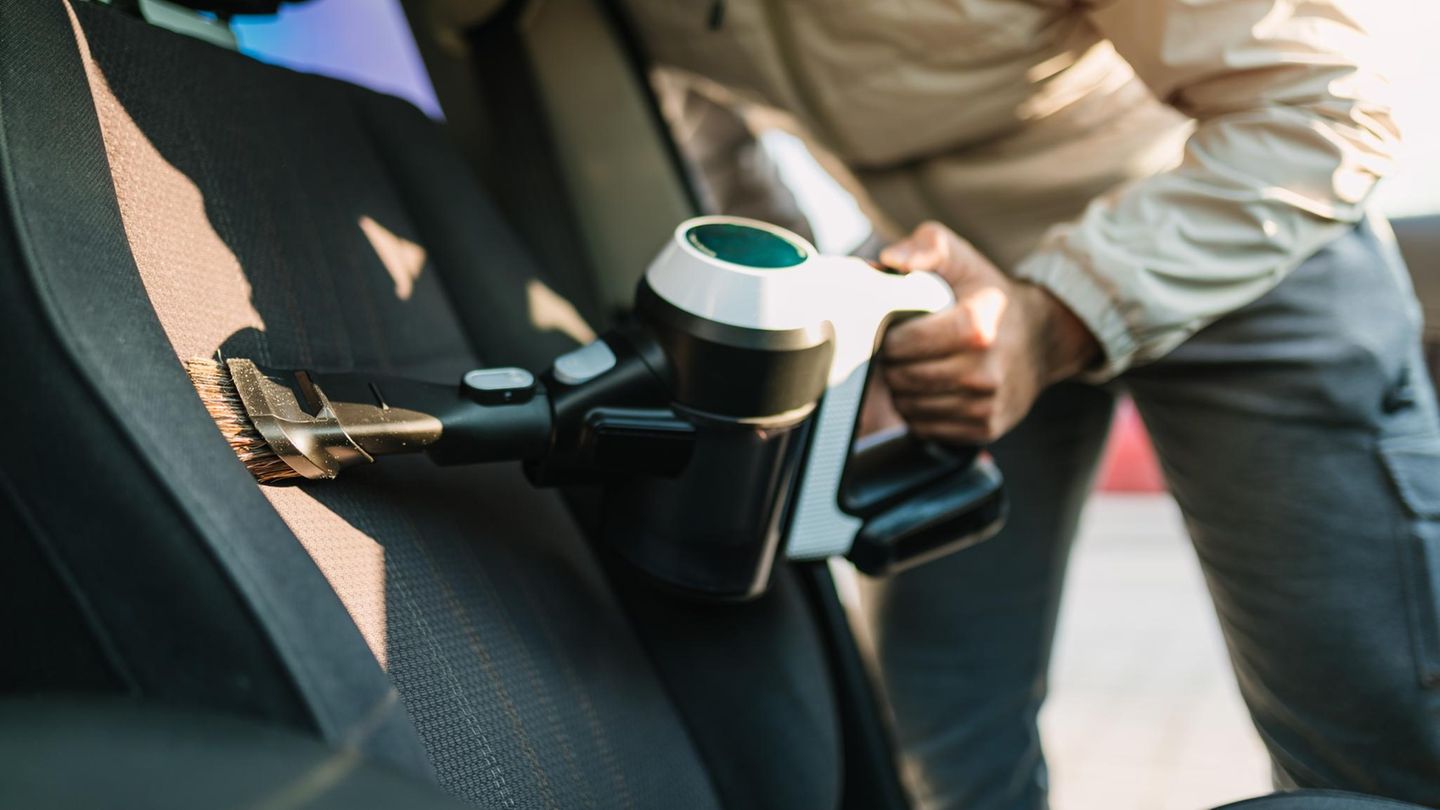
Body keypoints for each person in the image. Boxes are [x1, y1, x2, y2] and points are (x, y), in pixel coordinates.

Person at [618, 1, 1440, 807]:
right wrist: (820, 329)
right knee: (939, 745)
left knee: (1376, 746)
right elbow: (706, 135)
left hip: (1233, 249)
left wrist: (1054, 321)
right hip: (949, 293)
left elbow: (1327, 103)